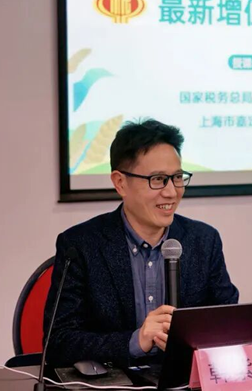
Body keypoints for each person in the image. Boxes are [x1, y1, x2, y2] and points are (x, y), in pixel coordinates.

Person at [44, 119, 239, 367]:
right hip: (114, 381)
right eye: (158, 179)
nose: (171, 192)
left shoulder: (204, 241)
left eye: (177, 177)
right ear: (120, 183)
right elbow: (58, 342)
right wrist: (135, 341)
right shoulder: (81, 245)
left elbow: (228, 325)